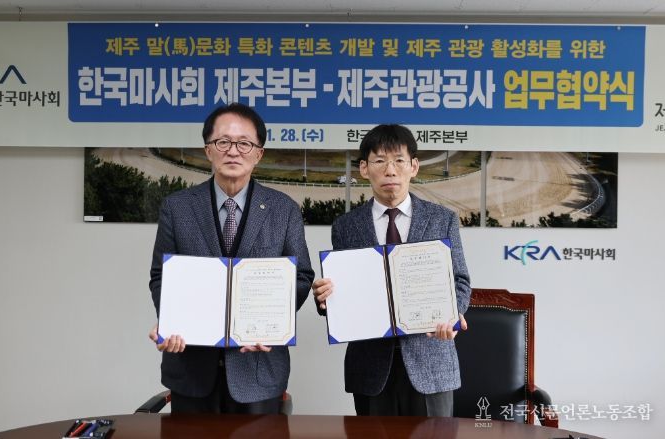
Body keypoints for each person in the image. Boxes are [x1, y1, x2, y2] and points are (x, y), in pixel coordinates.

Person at [148, 103, 314, 414]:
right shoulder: (177, 207)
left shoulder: (284, 210)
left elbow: (301, 277)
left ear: (258, 153)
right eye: (223, 142)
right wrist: (172, 321)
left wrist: (272, 323)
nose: (233, 151)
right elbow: (161, 277)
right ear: (208, 150)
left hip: (258, 371)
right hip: (190, 368)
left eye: (244, 143)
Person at [312, 124, 471, 417]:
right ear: (364, 168)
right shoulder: (346, 226)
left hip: (431, 363)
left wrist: (452, 311)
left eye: (399, 160)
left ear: (414, 166)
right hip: (370, 367)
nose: (390, 170)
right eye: (379, 161)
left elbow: (460, 280)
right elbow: (342, 293)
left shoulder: (442, 219)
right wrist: (325, 299)